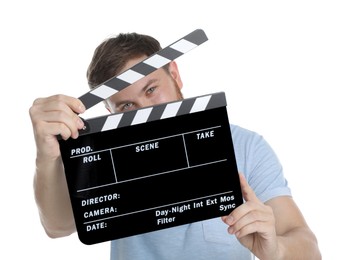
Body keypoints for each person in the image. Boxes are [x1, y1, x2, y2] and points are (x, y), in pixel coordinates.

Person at [29, 32, 321, 260]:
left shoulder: (246, 146)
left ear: (175, 74)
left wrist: (275, 251)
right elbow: (57, 226)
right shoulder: (105, 159)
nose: (143, 111)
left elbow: (307, 247)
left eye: (151, 89)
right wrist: (46, 156)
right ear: (110, 112)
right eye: (127, 105)